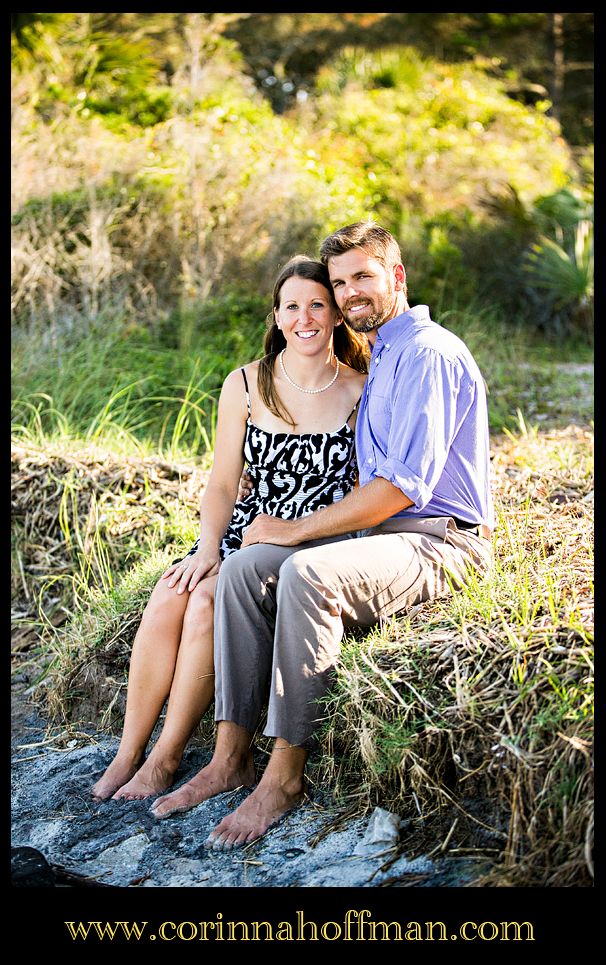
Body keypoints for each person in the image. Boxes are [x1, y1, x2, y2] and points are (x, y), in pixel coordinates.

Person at [150, 221, 494, 849]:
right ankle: (230, 756)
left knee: (307, 571)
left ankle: (284, 776)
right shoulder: (385, 350)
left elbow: (400, 489)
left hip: (441, 540)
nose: (350, 292)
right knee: (248, 565)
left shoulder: (427, 353)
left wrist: (298, 527)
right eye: (340, 282)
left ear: (397, 276)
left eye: (363, 276)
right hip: (387, 538)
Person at [90, 255, 368, 802]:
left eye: (317, 305)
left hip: (302, 541)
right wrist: (208, 547)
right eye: (292, 306)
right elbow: (222, 483)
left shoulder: (361, 390)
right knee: (171, 594)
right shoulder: (245, 383)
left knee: (203, 605)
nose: (304, 317)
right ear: (276, 314)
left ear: (336, 316)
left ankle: (166, 760)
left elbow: (364, 488)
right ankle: (129, 753)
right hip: (242, 531)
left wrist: (291, 535)